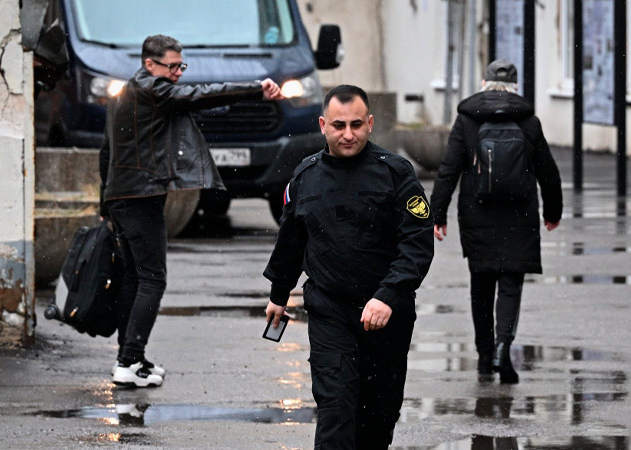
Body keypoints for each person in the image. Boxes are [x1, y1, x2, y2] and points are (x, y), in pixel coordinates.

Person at [99, 34, 282, 388]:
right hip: (140, 197)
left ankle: (132, 357)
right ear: (149, 64)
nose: (178, 73)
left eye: (181, 66)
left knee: (135, 279)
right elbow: (201, 95)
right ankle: (128, 361)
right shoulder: (153, 89)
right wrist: (255, 88)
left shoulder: (125, 93)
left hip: (122, 197)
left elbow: (107, 150)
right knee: (153, 279)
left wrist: (105, 201)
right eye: (172, 66)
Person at [264, 85, 434, 449]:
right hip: (330, 310)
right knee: (336, 408)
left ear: (370, 123)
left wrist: (388, 294)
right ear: (323, 125)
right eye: (339, 125)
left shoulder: (395, 173)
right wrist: (279, 293)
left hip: (386, 314)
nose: (348, 134)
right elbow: (291, 241)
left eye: (356, 125)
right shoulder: (306, 175)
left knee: (377, 418)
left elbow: (417, 243)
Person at [429, 60, 563, 384]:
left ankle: (485, 356)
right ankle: (504, 346)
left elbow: (449, 169)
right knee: (511, 284)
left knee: (481, 285)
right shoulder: (528, 121)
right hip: (520, 215)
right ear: (515, 87)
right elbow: (547, 171)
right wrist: (553, 212)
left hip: (478, 213)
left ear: (484, 84)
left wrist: (438, 213)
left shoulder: (467, 119)